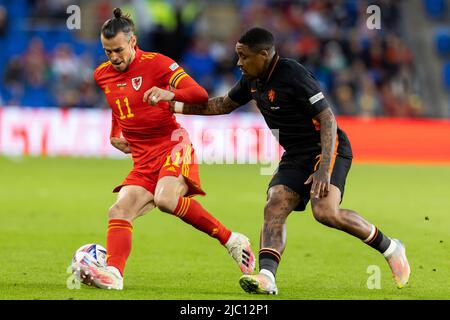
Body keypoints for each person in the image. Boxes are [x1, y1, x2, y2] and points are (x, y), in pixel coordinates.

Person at [172, 27, 410, 295]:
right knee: (274, 204)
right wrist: (175, 105)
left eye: (243, 56)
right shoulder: (253, 79)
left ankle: (390, 247)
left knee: (324, 212)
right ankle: (266, 277)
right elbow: (223, 104)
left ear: (264, 54)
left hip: (327, 147)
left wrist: (323, 168)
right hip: (296, 154)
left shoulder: (292, 74)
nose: (238, 62)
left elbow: (327, 118)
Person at [73, 8, 255, 290]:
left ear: (133, 42)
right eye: (108, 51)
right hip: (143, 156)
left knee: (167, 199)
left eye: (118, 50)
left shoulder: (157, 64)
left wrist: (171, 93)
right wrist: (115, 133)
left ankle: (231, 239)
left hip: (172, 145)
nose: (114, 57)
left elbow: (199, 95)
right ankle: (114, 274)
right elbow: (116, 104)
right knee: (118, 210)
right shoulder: (102, 75)